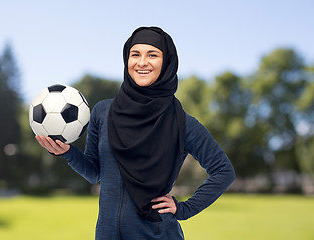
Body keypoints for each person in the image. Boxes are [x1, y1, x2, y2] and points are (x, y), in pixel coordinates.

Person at [36, 26, 235, 240]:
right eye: (135, 54)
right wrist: (67, 152)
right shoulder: (103, 112)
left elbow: (223, 171)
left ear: (166, 62)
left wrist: (184, 209)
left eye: (152, 55)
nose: (142, 62)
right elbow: (95, 173)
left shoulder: (183, 124)